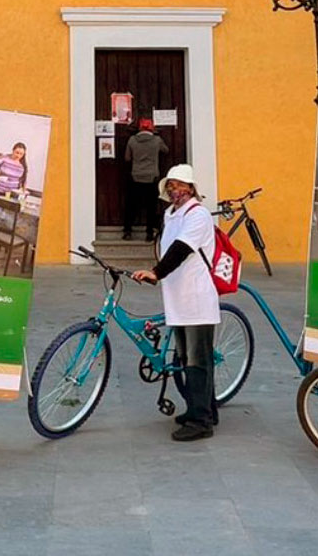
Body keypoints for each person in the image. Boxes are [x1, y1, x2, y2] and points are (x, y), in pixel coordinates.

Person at [132, 164, 220, 442]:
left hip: (196, 298)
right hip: (178, 298)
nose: (174, 190)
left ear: (191, 189)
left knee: (197, 360)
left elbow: (181, 249)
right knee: (187, 358)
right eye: (170, 185)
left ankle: (201, 422)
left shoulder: (198, 215)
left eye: (180, 185)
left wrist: (156, 273)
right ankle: (204, 410)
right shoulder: (171, 214)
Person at [123, 118, 168, 242]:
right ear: (152, 128)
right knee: (151, 207)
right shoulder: (157, 140)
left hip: (136, 176)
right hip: (152, 177)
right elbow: (166, 150)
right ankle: (149, 233)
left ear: (139, 128)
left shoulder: (132, 140)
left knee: (132, 205)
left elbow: (127, 158)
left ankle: (127, 231)